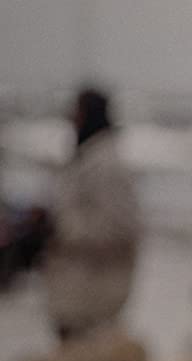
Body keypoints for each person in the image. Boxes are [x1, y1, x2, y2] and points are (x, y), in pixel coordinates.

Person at [44, 88, 139, 341]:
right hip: (77, 290)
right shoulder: (87, 157)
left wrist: (61, 228)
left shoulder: (107, 164)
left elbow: (121, 228)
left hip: (95, 296)